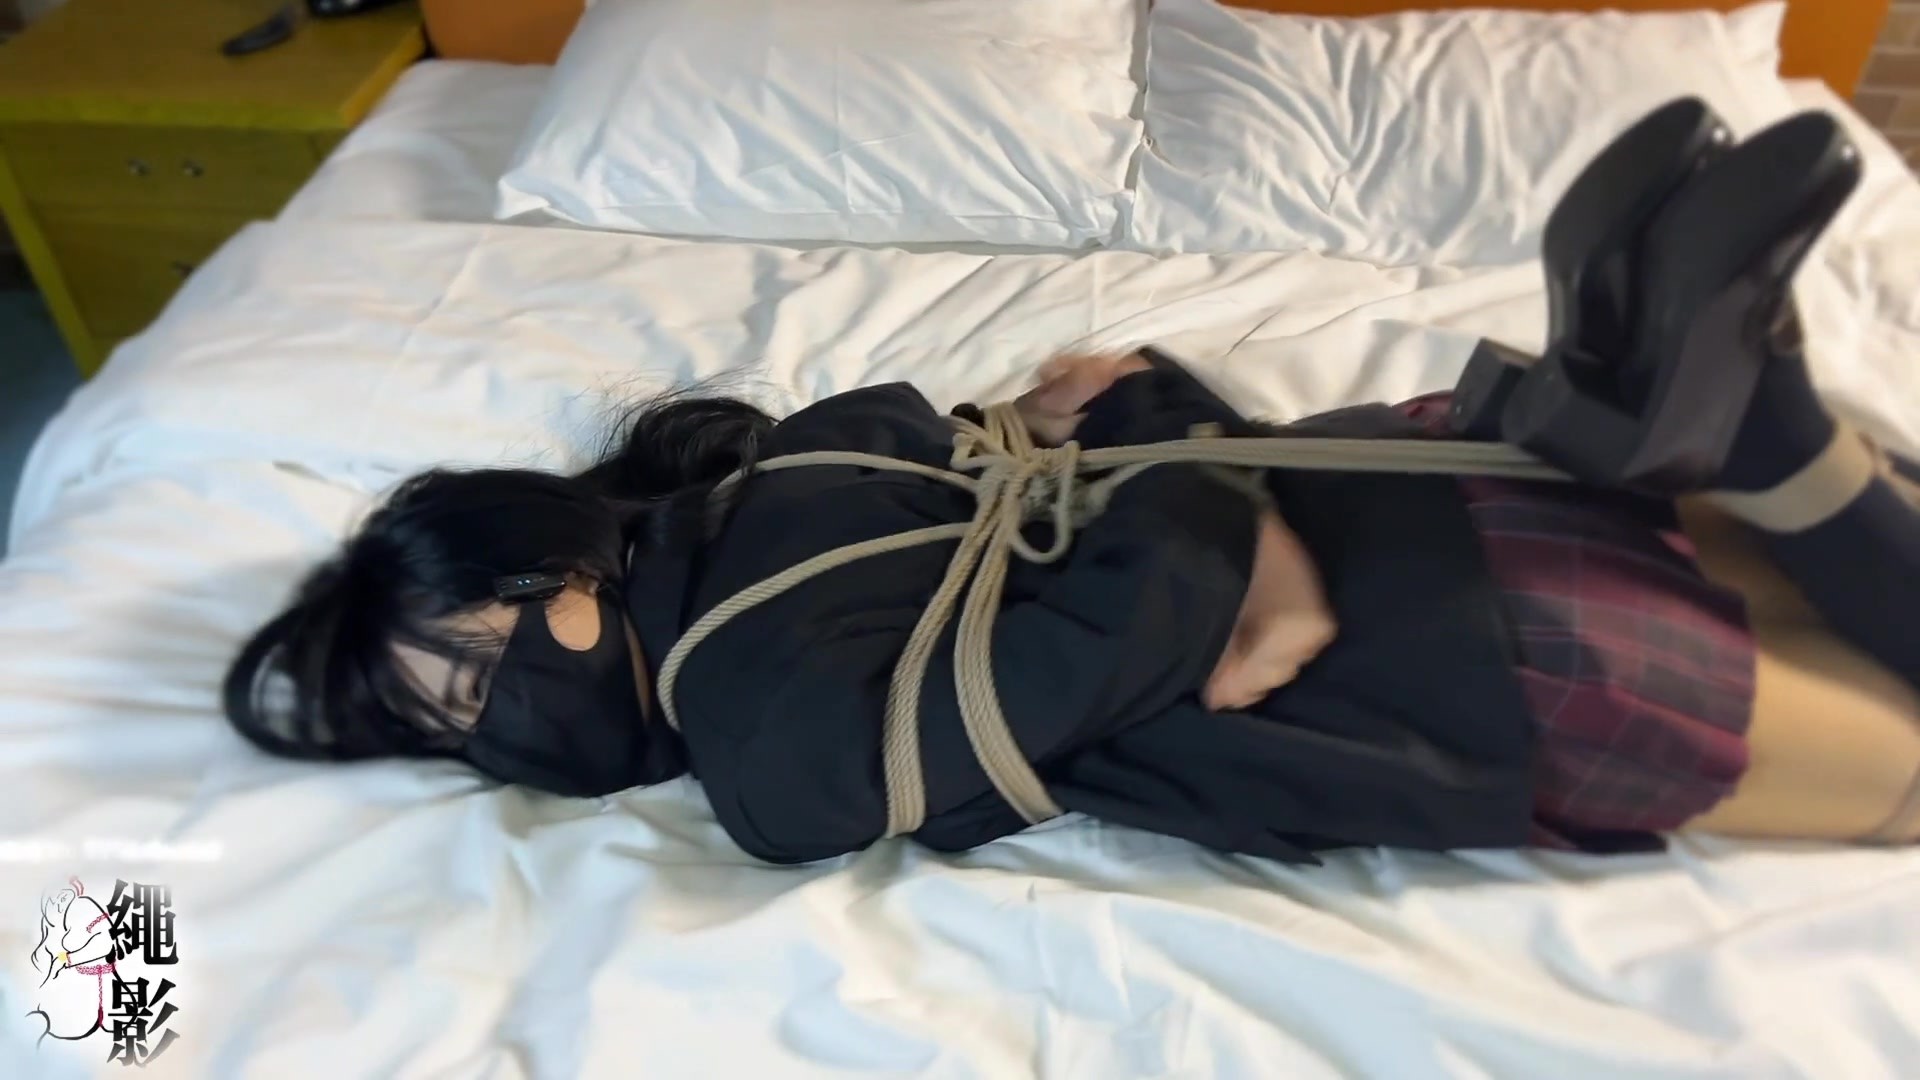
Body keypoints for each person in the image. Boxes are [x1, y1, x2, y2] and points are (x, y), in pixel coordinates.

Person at [224, 102, 1920, 864]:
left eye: (461, 688)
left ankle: (1764, 426)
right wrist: (1186, 472)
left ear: (557, 594)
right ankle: (1754, 427)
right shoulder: (810, 447)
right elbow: (1109, 412)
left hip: (1456, 661)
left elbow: (1119, 630)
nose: (486, 738)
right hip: (1410, 473)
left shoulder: (768, 754)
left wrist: (1249, 564)